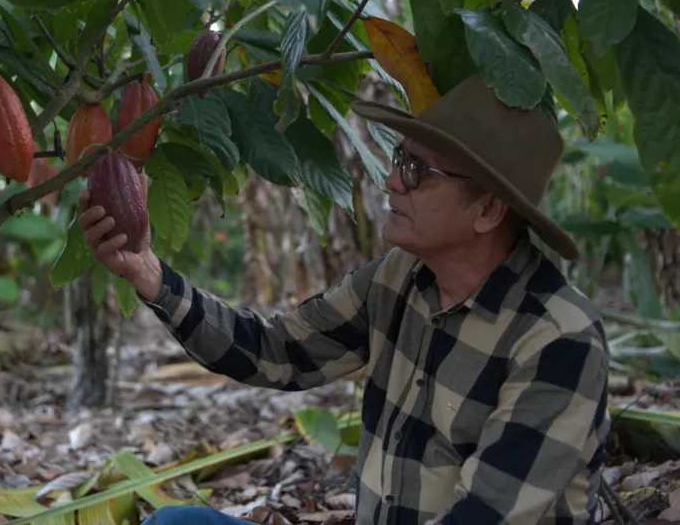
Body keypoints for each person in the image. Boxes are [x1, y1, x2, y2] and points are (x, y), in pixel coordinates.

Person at [78, 74, 610, 525]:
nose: (392, 181)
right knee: (178, 522)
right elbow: (275, 350)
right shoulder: (399, 279)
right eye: (401, 159)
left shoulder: (557, 340)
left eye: (419, 172)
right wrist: (149, 274)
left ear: (489, 211)